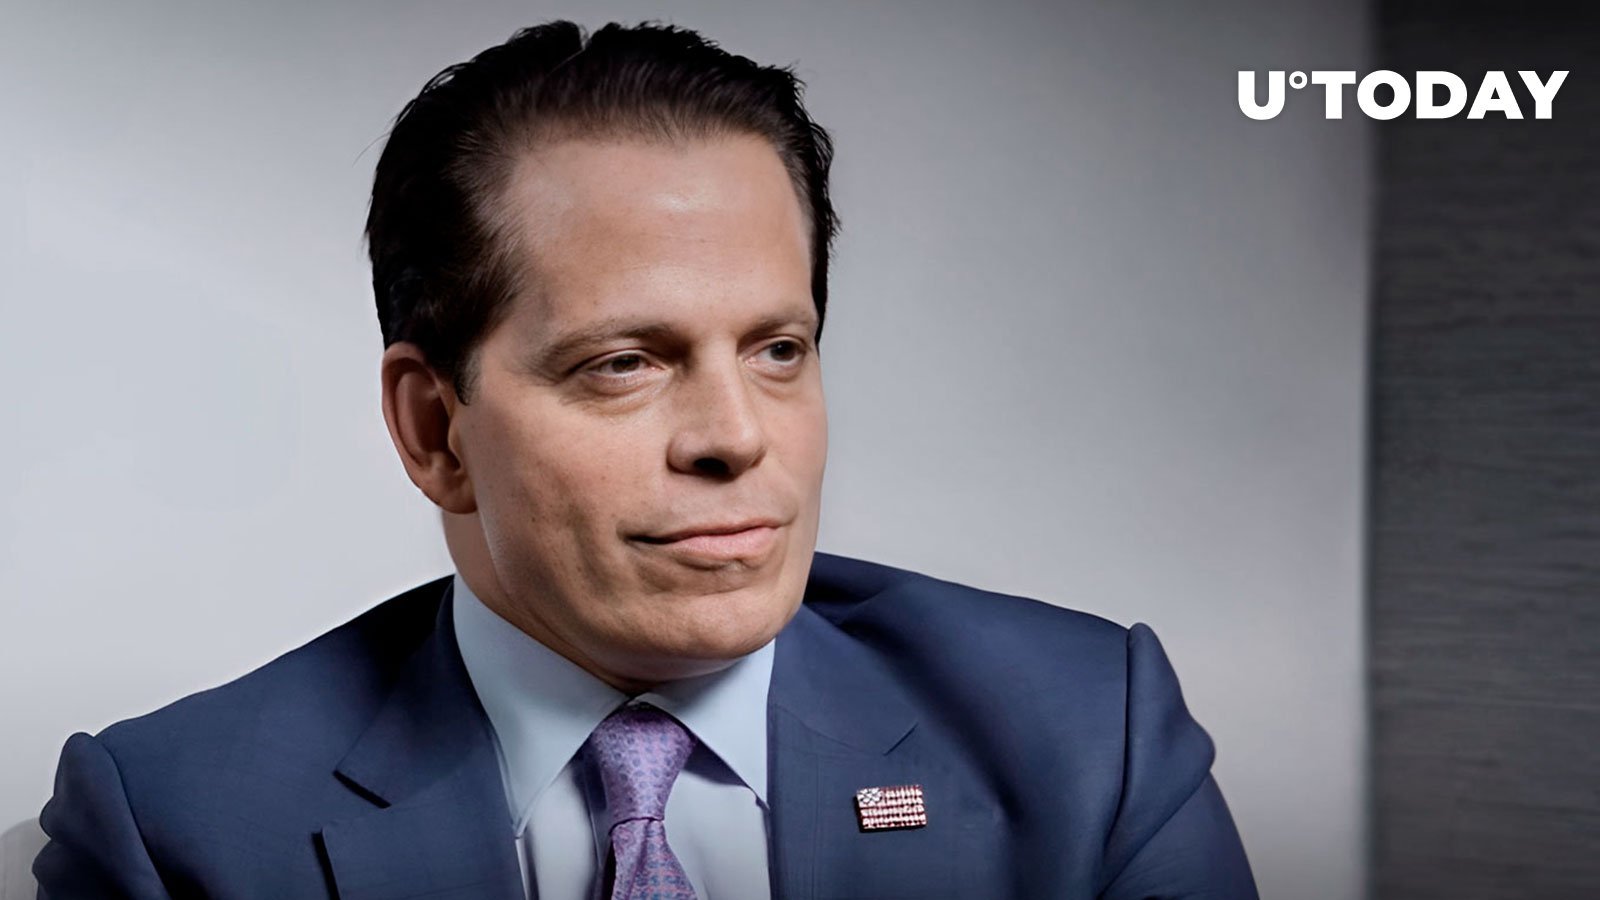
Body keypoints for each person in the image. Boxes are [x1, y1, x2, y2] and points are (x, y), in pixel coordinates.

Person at [32, 20, 1258, 900]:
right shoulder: (177, 830)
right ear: (435, 429)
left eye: (777, 350)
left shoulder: (1091, 738)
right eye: (623, 363)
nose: (736, 435)